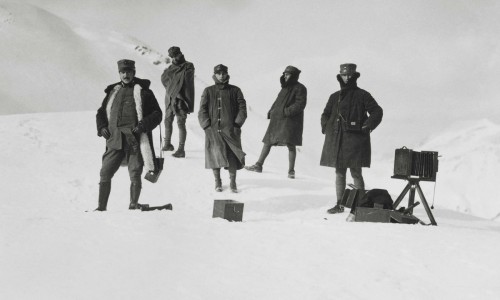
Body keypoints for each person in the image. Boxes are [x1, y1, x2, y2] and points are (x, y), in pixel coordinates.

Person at [95, 59, 162, 211]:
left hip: (134, 140)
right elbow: (101, 112)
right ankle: (101, 207)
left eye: (129, 72)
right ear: (119, 73)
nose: (126, 75)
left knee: (135, 171)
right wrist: (102, 127)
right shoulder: (113, 91)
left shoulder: (144, 92)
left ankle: (133, 204)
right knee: (105, 172)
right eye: (123, 72)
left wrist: (143, 125)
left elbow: (157, 114)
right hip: (114, 139)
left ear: (134, 73)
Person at [320, 63, 383, 214]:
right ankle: (340, 204)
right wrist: (326, 127)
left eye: (349, 75)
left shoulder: (363, 95)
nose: (346, 78)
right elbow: (325, 114)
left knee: (356, 172)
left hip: (355, 142)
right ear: (340, 76)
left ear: (354, 76)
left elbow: (377, 112)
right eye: (343, 75)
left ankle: (360, 206)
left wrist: (367, 126)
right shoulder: (334, 96)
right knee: (339, 173)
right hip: (337, 141)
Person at [245, 65, 307, 178]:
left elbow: (300, 104)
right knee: (268, 142)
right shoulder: (284, 87)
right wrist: (271, 110)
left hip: (290, 121)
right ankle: (258, 165)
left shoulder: (300, 88)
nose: (285, 76)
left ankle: (291, 171)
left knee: (291, 144)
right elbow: (277, 101)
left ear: (294, 76)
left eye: (288, 74)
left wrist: (286, 112)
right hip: (277, 119)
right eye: (285, 74)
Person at [198, 64, 247, 193]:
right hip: (213, 130)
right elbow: (202, 110)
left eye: (223, 73)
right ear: (215, 74)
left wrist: (236, 124)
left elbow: (242, 109)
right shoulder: (208, 91)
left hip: (231, 130)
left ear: (227, 74)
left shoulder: (235, 90)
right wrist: (206, 126)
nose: (221, 75)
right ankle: (218, 182)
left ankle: (232, 182)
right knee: (215, 154)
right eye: (218, 73)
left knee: (232, 155)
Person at [160, 46, 195, 158]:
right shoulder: (170, 68)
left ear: (180, 53)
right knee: (167, 120)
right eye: (172, 56)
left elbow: (186, 81)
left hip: (181, 98)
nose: (175, 58)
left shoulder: (188, 66)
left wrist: (176, 90)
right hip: (170, 98)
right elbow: (164, 79)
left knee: (180, 123)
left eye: (176, 55)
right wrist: (171, 89)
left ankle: (181, 149)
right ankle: (167, 144)